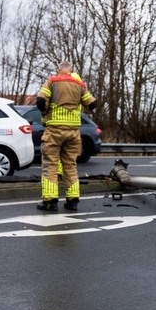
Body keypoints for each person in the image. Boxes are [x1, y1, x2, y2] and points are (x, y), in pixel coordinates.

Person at [35, 60, 97, 211]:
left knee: (50, 165)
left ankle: (50, 201)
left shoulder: (52, 81)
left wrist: (45, 113)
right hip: (73, 132)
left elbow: (41, 101)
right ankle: (73, 201)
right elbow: (92, 104)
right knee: (70, 166)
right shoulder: (80, 85)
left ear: (58, 70)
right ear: (71, 70)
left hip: (54, 130)